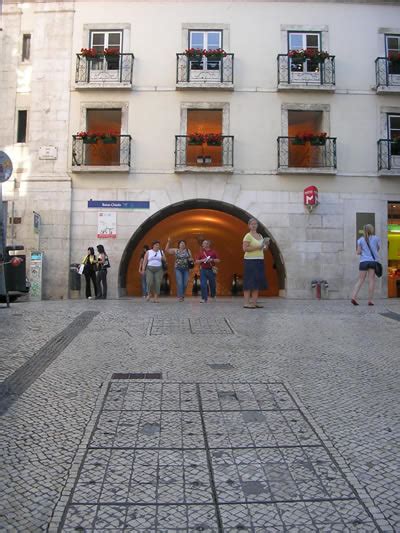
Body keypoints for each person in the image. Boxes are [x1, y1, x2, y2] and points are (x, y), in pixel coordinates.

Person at [242, 218, 269, 309]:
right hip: (250, 260)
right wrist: (259, 247)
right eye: (252, 224)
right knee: (249, 281)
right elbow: (245, 249)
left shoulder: (260, 236)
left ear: (257, 225)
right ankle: (246, 303)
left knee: (257, 281)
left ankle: (254, 303)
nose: (254, 225)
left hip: (259, 260)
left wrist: (266, 245)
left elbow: (263, 249)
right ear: (249, 226)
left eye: (255, 224)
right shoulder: (248, 236)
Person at [351, 224, 381, 306]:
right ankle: (370, 300)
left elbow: (358, 252)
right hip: (372, 262)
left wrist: (363, 251)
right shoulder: (376, 238)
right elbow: (377, 249)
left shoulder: (360, 240)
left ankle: (353, 297)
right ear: (372, 230)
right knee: (371, 280)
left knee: (360, 280)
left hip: (363, 262)